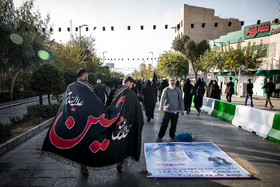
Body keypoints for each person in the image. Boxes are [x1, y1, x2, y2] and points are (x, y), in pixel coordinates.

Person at [156, 77, 184, 142]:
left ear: (175, 81)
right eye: (171, 80)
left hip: (175, 111)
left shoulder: (178, 90)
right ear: (168, 82)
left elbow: (180, 100)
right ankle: (159, 136)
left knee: (174, 125)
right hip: (167, 110)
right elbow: (162, 98)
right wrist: (161, 107)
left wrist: (182, 110)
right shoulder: (166, 90)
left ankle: (172, 136)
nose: (172, 82)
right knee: (164, 124)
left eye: (173, 80)